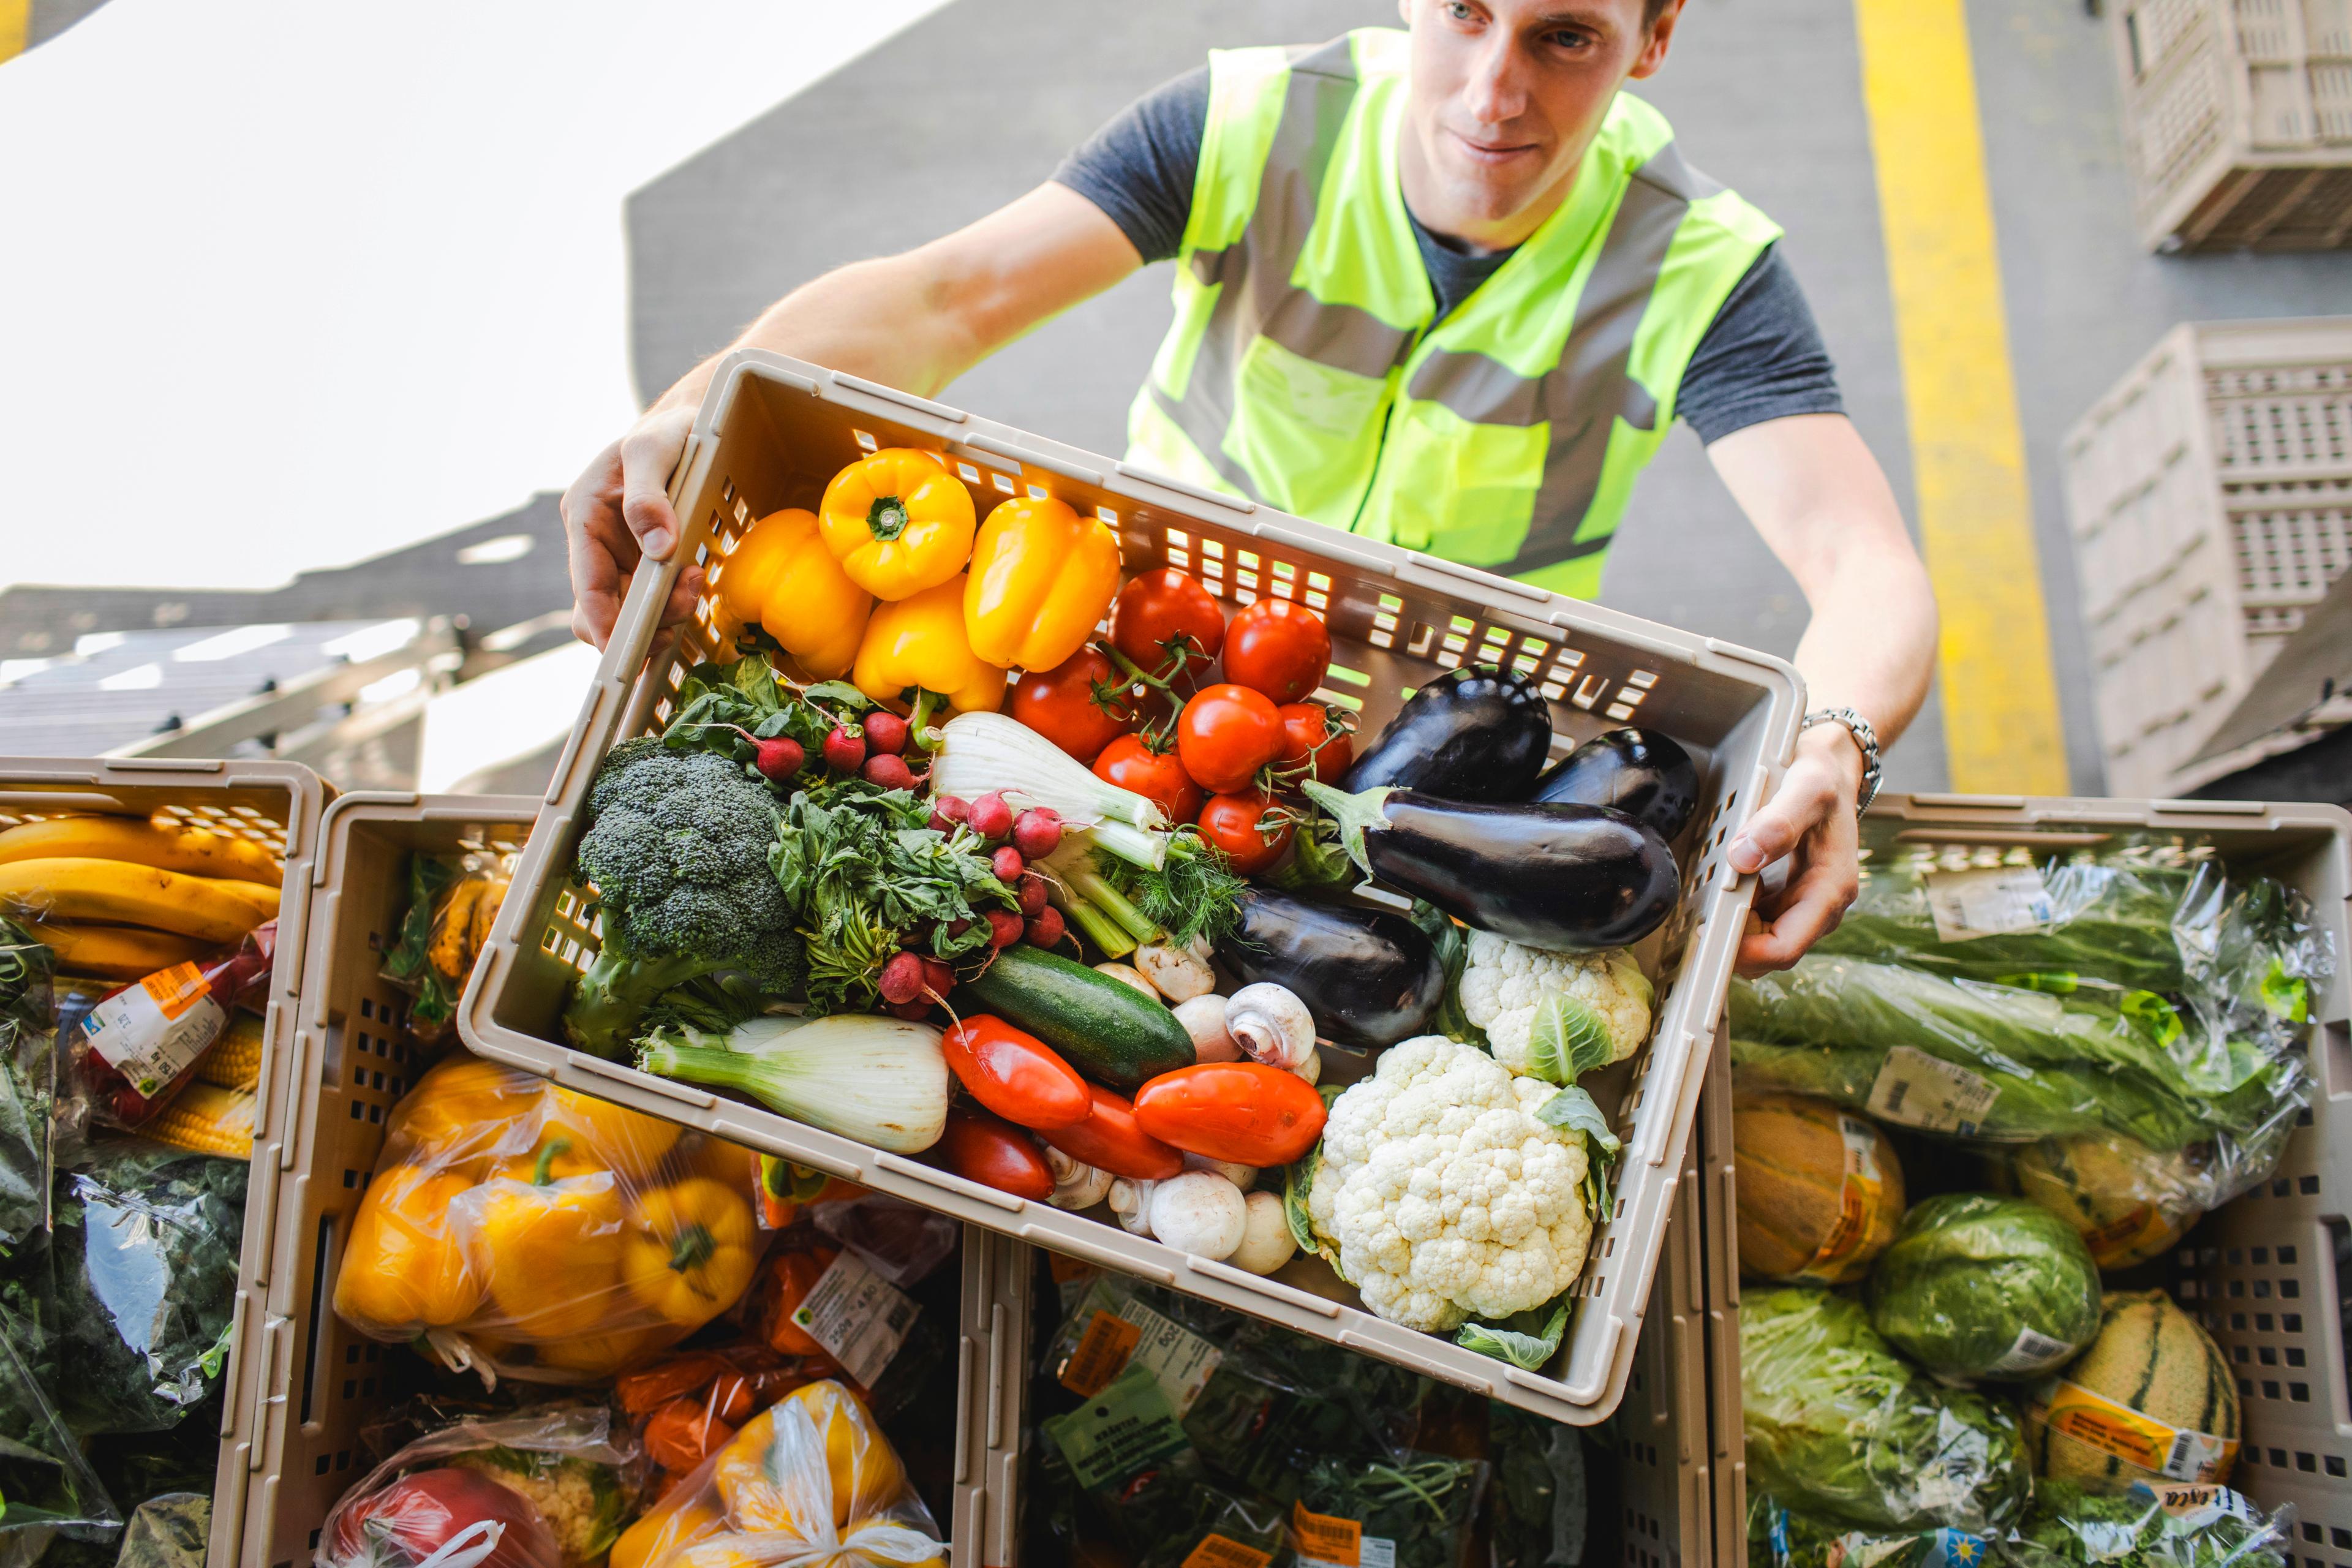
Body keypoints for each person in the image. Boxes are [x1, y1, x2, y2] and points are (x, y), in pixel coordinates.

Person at [561, 0, 1938, 974]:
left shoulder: (1704, 265)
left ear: (1657, 33)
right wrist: (691, 407)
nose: (1492, 92)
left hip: (1453, 715)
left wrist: (1837, 741)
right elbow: (948, 295)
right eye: (1465, 13)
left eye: (1563, 37)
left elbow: (1861, 561)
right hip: (1164, 656)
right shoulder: (1251, 123)